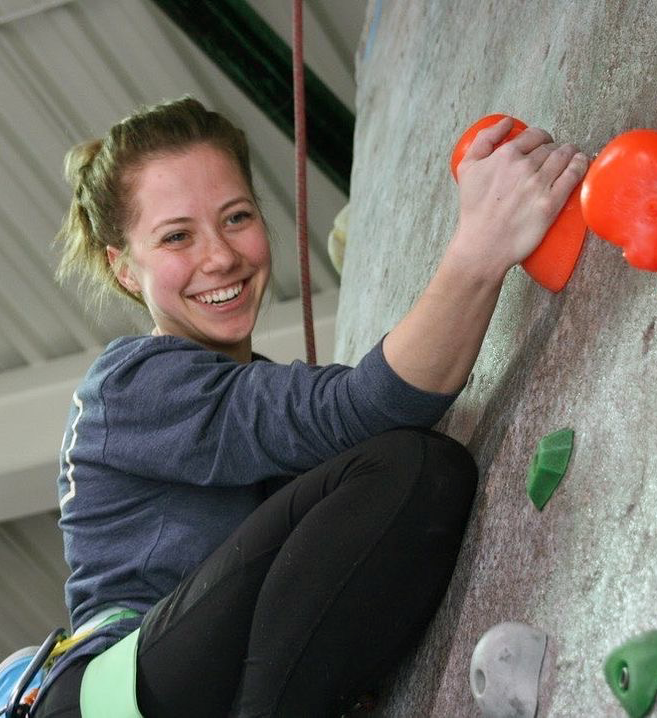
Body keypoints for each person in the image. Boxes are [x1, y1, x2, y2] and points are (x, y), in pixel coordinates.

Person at [31, 97, 588, 718]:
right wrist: (481, 249)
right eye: (177, 236)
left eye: (236, 217)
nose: (219, 256)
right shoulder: (131, 386)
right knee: (410, 469)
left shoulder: (250, 392)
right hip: (111, 698)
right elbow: (373, 408)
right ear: (124, 269)